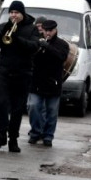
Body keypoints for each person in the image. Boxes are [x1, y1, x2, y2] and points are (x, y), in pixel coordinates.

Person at [0, 0, 40, 153]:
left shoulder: (31, 29)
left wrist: (17, 39)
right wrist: (4, 30)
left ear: (22, 13)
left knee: (17, 109)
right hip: (4, 72)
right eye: (11, 12)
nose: (13, 15)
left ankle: (13, 140)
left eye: (16, 12)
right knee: (1, 104)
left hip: (23, 73)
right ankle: (1, 135)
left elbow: (34, 47)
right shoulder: (4, 26)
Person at [27, 19, 70, 147]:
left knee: (51, 111)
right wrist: (38, 48)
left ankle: (48, 136)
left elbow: (61, 57)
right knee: (33, 106)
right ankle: (35, 132)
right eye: (45, 31)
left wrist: (48, 47)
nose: (47, 33)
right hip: (37, 81)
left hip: (53, 82)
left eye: (50, 31)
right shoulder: (37, 41)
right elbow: (30, 57)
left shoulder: (62, 44)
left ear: (55, 30)